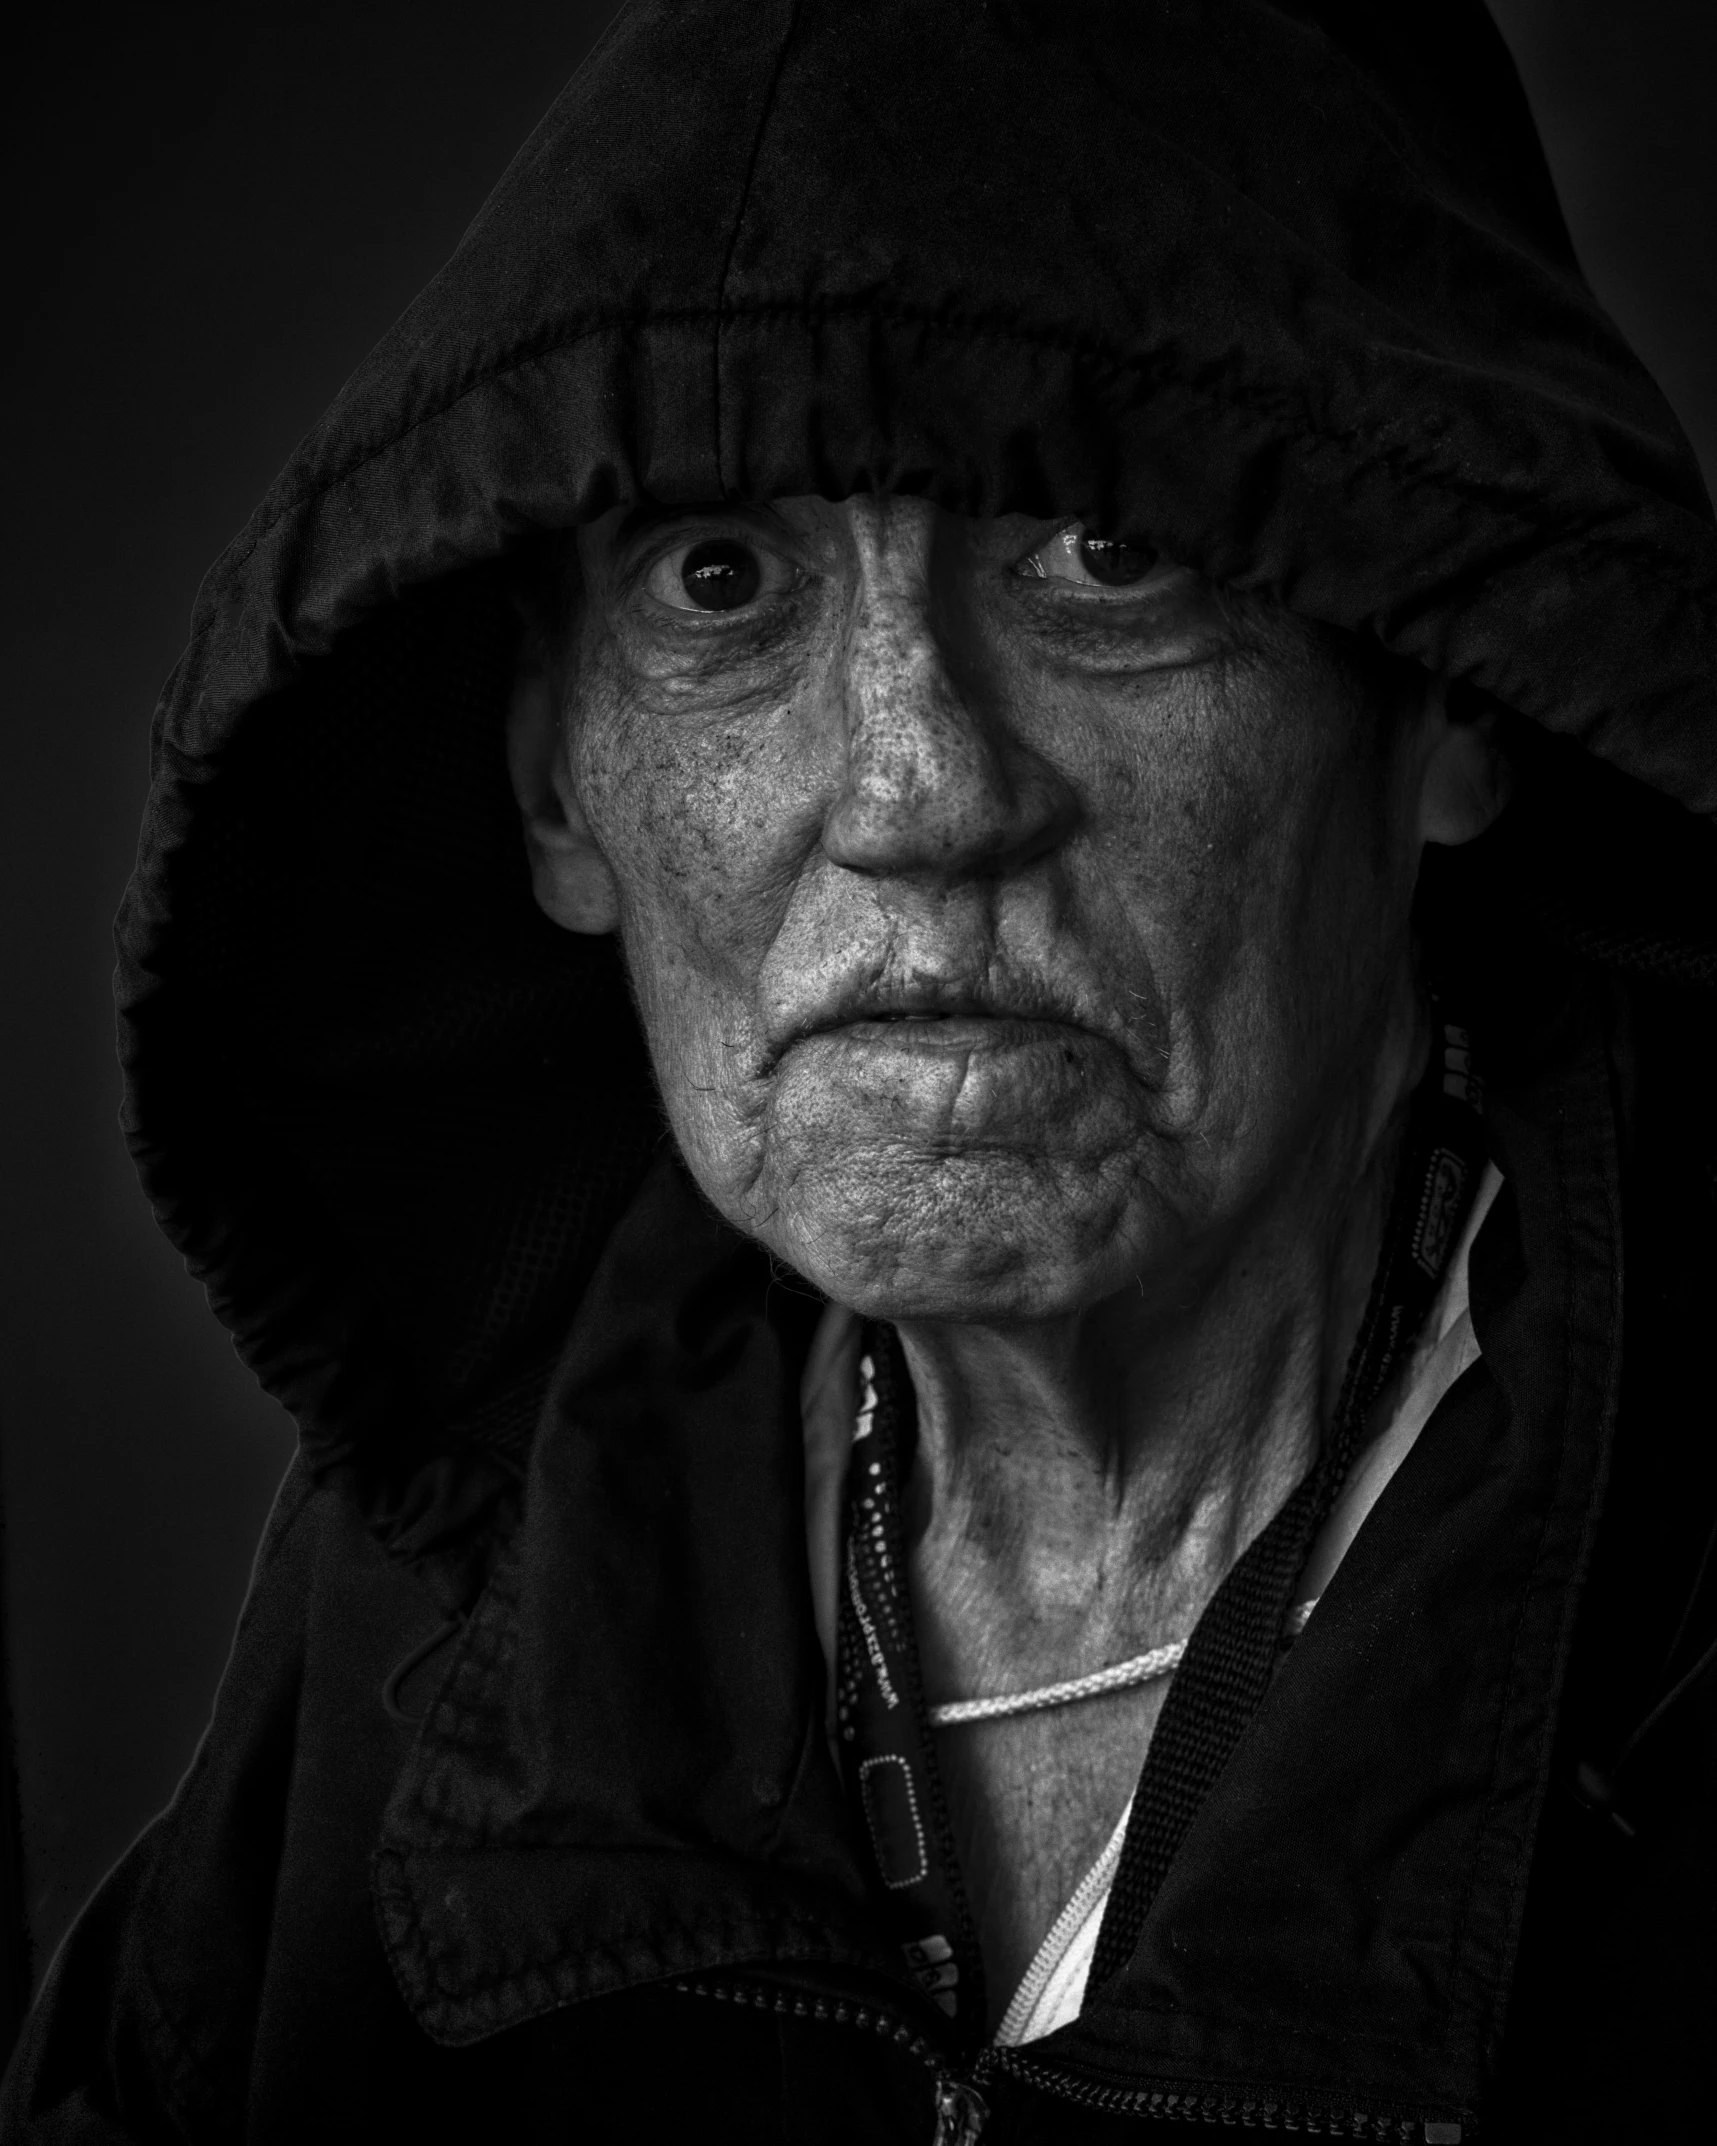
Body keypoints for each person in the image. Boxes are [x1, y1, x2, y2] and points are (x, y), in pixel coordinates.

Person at [5, 2, 1715, 2139]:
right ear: (560, 790)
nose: (918, 785)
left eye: (1108, 550)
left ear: (1446, 702)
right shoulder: (462, 1585)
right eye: (725, 580)